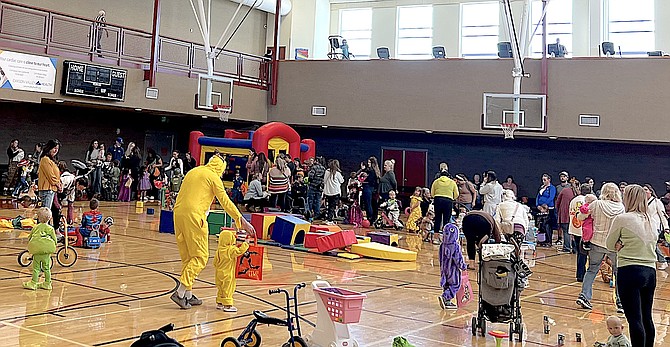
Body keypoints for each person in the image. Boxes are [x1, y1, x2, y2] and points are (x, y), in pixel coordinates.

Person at [171, 154, 255, 309]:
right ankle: (180, 291)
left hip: (177, 214)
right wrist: (241, 220)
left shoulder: (194, 171)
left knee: (188, 257)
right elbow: (225, 202)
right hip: (195, 216)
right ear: (220, 168)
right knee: (200, 257)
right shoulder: (213, 177)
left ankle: (188, 295)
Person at [606, 185, 657, 347]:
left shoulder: (623, 218)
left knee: (634, 319)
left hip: (630, 270)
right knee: (646, 317)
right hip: (650, 271)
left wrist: (620, 243)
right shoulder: (652, 220)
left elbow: (609, 244)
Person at [576, 183, 624, 313]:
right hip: (614, 245)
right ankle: (620, 302)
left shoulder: (596, 204)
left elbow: (581, 216)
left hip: (596, 242)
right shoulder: (621, 208)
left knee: (592, 270)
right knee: (618, 273)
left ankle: (585, 296)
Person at [214, 229, 249, 312]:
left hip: (219, 273)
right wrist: (245, 244)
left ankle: (220, 303)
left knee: (220, 288)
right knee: (228, 289)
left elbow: (215, 262)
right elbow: (240, 251)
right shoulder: (230, 250)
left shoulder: (219, 250)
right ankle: (228, 305)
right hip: (228, 273)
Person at [22, 208, 57, 290]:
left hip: (37, 251)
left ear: (38, 217)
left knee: (36, 268)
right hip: (46, 252)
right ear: (50, 218)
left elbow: (29, 237)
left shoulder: (35, 227)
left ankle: (34, 283)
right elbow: (55, 239)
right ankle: (47, 283)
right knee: (47, 268)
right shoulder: (50, 228)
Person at [438, 223, 467, 310]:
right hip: (452, 269)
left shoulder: (442, 245)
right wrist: (463, 266)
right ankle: (445, 297)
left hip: (444, 268)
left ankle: (447, 301)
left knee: (446, 284)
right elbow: (458, 259)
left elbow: (440, 257)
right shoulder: (455, 246)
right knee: (455, 284)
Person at [642, 184, 670, 270]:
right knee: (648, 244)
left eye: (646, 189)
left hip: (655, 226)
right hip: (644, 226)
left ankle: (662, 260)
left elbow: (662, 215)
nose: (644, 191)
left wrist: (666, 227)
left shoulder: (657, 201)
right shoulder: (642, 202)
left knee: (652, 243)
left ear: (650, 191)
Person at [569, 183, 592, 281]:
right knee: (583, 254)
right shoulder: (586, 201)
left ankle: (580, 273)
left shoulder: (574, 200)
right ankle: (581, 275)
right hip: (583, 230)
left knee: (579, 253)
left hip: (574, 228)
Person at [431, 168, 459, 235]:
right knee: (446, 219)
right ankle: (445, 235)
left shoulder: (436, 181)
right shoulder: (452, 182)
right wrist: (452, 198)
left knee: (437, 218)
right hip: (448, 201)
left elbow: (432, 193)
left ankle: (436, 236)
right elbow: (457, 194)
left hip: (438, 200)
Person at [38, 140, 61, 211]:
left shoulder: (51, 160)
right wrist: (58, 185)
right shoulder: (45, 159)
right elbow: (51, 176)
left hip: (51, 189)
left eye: (57, 149)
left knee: (47, 213)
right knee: (45, 213)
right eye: (54, 148)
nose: (56, 150)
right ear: (49, 148)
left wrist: (59, 184)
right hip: (47, 190)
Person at [556, 177, 577, 252]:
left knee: (566, 231)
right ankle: (575, 249)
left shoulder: (565, 191)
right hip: (576, 217)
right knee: (575, 233)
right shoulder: (578, 193)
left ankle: (567, 247)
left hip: (565, 215)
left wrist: (558, 211)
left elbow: (558, 202)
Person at [536, 173, 557, 244]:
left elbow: (551, 197)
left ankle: (549, 240)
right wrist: (538, 205)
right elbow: (538, 196)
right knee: (541, 224)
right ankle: (543, 239)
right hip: (541, 207)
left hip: (549, 208)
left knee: (547, 224)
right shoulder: (542, 187)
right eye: (542, 180)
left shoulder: (552, 188)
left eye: (545, 180)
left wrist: (545, 204)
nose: (543, 181)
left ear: (549, 180)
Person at [323, 159, 344, 224]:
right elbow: (342, 181)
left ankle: (329, 218)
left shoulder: (327, 172)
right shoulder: (338, 173)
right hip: (335, 192)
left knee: (329, 206)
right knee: (332, 206)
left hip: (328, 192)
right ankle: (330, 220)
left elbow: (324, 181)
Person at [361, 157, 381, 222]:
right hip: (372, 189)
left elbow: (369, 180)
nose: (368, 164)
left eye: (369, 162)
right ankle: (371, 217)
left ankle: (370, 217)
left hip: (368, 188)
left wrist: (363, 179)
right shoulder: (376, 171)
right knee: (371, 203)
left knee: (368, 203)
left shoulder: (371, 172)